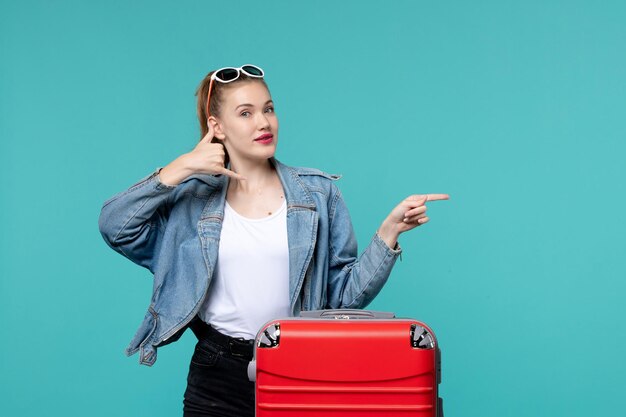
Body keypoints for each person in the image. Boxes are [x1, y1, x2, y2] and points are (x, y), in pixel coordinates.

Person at [98, 63, 449, 417]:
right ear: (217, 127)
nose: (263, 123)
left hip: (299, 367)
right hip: (216, 374)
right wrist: (181, 167)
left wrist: (388, 233)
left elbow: (342, 299)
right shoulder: (191, 202)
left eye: (268, 109)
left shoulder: (318, 193)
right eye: (245, 113)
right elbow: (116, 226)